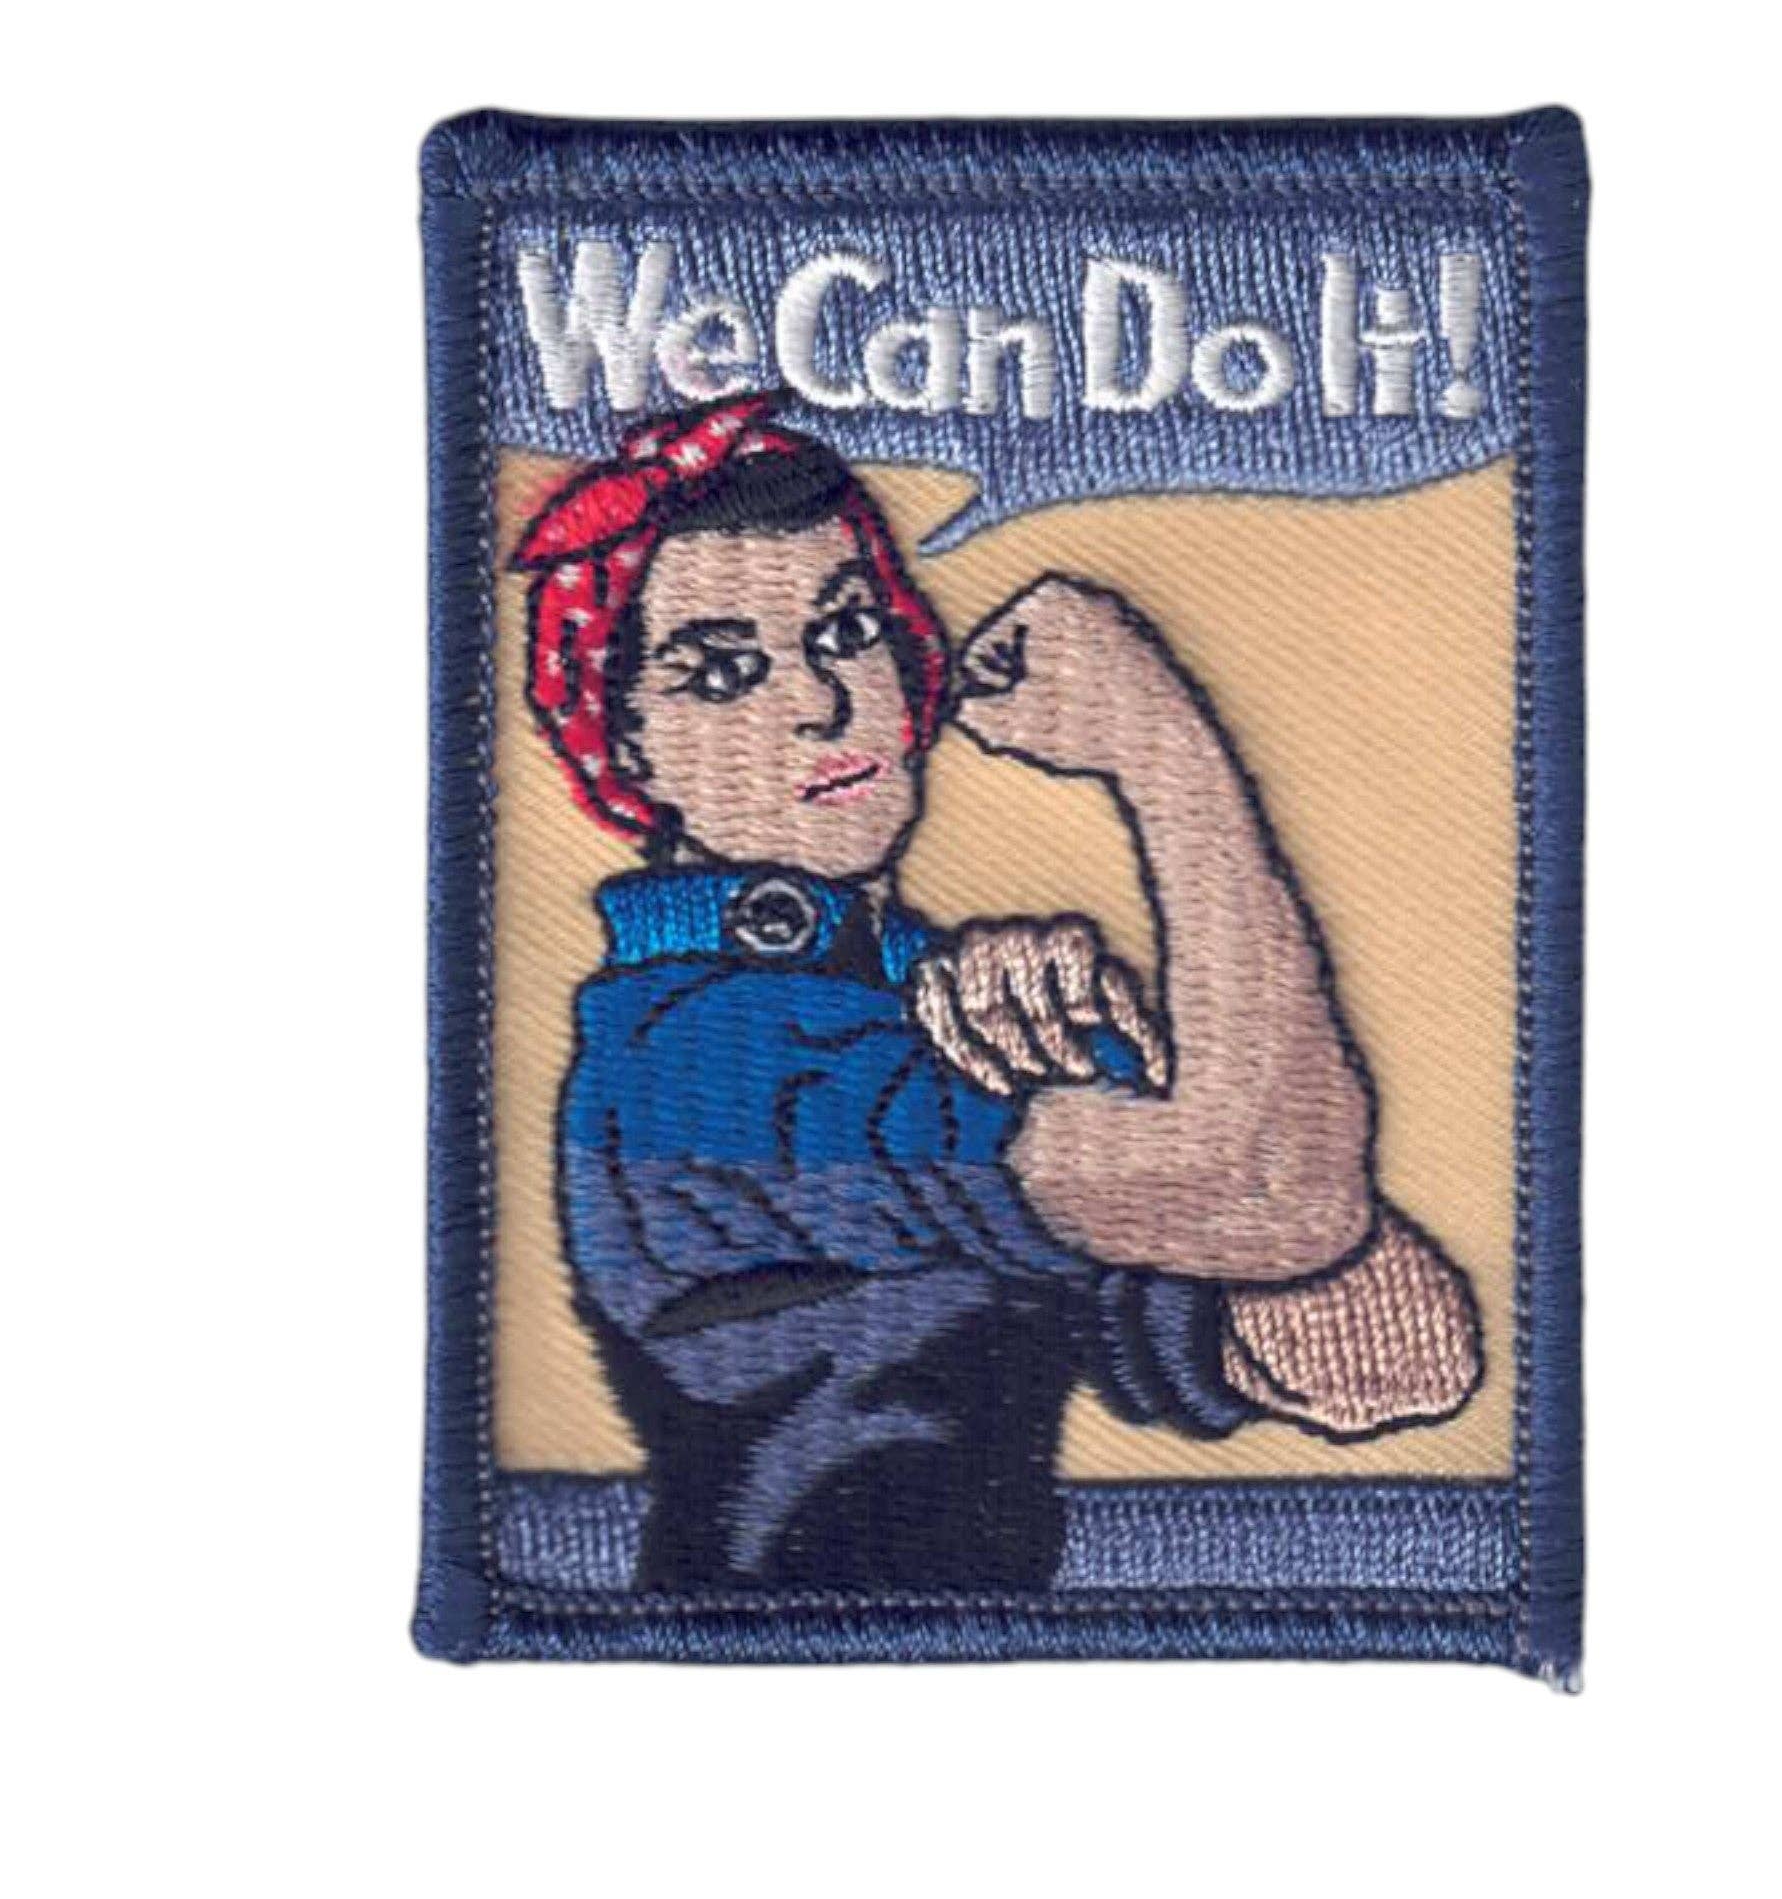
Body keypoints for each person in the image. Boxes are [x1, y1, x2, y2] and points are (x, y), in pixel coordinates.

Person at [513, 391, 1482, 1592]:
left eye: (844, 628)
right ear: (628, 746)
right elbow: (1273, 1192)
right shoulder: (697, 1055)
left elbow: (1391, 1359)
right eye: (721, 671)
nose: (823, 701)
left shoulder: (909, 1009)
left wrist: (1133, 1071)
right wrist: (1166, 756)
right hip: (791, 1656)